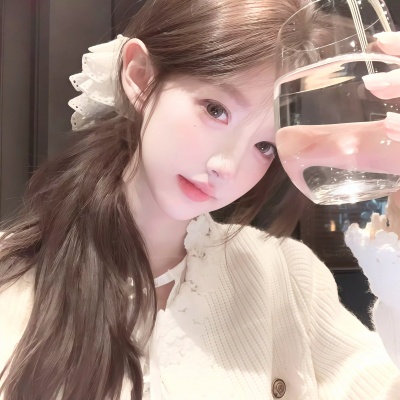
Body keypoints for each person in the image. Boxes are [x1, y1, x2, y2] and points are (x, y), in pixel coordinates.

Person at [0, 0, 400, 399]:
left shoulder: (287, 277)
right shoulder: (11, 279)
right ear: (140, 76)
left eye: (264, 145)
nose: (226, 166)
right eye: (215, 110)